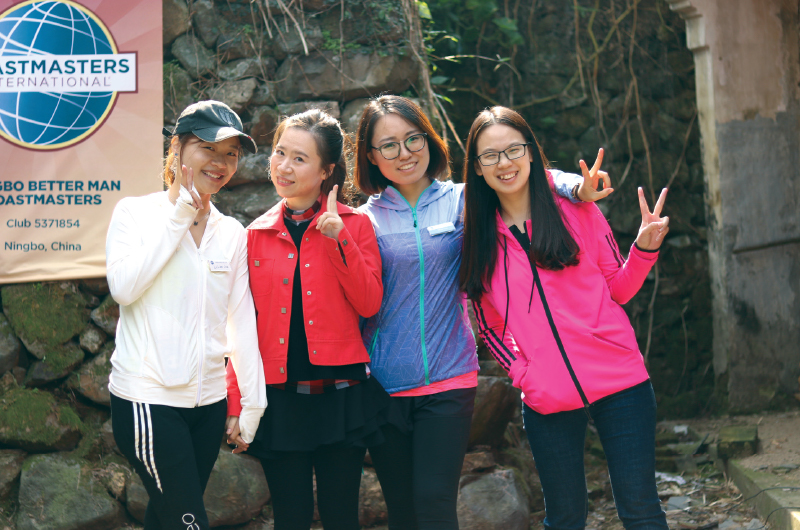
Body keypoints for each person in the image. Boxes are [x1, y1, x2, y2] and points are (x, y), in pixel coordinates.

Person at [353, 95, 610, 530]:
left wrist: (577, 188)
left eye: (412, 138)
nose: (404, 153)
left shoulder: (464, 201)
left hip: (449, 378)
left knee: (435, 503)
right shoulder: (363, 219)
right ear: (371, 157)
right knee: (402, 511)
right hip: (383, 385)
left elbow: (527, 177)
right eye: (389, 145)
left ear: (429, 141)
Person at [459, 106, 670, 530]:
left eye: (513, 149)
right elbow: (490, 326)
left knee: (641, 510)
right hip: (546, 397)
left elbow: (620, 289)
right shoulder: (478, 237)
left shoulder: (577, 210)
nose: (505, 163)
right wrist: (524, 373)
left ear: (532, 153)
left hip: (620, 381)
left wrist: (645, 249)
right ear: (478, 168)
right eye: (491, 156)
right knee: (565, 518)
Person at [224, 109, 391, 530]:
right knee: (290, 519)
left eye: (299, 158)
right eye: (280, 153)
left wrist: (339, 240)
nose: (283, 166)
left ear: (326, 170)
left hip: (341, 396)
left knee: (341, 518)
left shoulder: (356, 225)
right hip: (280, 399)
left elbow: (370, 303)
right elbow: (239, 327)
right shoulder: (254, 235)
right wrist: (236, 402)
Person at [106, 100, 267, 530]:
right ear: (177, 149)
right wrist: (180, 215)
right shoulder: (135, 214)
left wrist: (251, 405)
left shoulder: (230, 232)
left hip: (209, 406)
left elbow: (241, 322)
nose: (220, 163)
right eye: (208, 149)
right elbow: (124, 288)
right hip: (148, 402)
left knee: (167, 518)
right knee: (188, 521)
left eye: (231, 153)